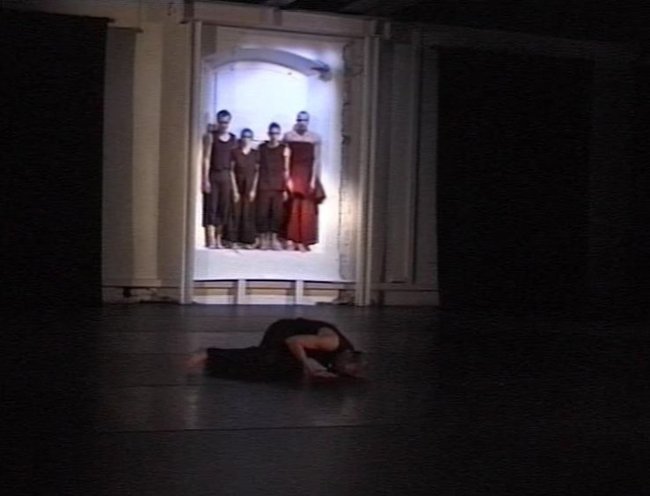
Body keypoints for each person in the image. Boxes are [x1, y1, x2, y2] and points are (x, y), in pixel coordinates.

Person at [187, 318, 366, 381]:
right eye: (343, 369)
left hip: (300, 341)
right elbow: (293, 341)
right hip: (286, 331)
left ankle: (215, 366)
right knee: (266, 358)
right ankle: (208, 353)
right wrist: (307, 364)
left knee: (279, 371)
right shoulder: (331, 343)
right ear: (347, 356)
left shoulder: (343, 360)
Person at [283, 111, 326, 252]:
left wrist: (313, 179)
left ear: (308, 122)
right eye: (299, 120)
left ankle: (304, 240)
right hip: (294, 173)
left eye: (304, 120)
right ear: (296, 121)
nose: (302, 123)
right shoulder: (289, 136)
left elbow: (316, 160)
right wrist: (287, 178)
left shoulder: (315, 138)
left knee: (307, 208)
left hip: (307, 174)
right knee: (293, 207)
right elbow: (286, 158)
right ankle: (291, 240)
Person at [202, 110, 238, 249]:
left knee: (224, 207)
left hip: (226, 175)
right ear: (218, 122)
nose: (224, 125)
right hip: (214, 174)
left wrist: (234, 187)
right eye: (221, 122)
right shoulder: (211, 137)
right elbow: (206, 158)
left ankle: (218, 238)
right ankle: (210, 239)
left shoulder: (233, 139)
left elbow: (233, 164)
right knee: (212, 206)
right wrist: (205, 179)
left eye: (226, 122)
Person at [256, 122, 290, 250]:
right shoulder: (262, 148)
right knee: (262, 213)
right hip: (264, 185)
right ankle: (263, 239)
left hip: (278, 186)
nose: (274, 136)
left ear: (279, 134)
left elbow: (286, 170)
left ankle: (274, 239)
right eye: (271, 133)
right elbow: (257, 167)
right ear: (268, 134)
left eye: (276, 133)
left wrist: (286, 188)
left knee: (277, 214)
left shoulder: (284, 149)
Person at [226, 128, 259, 248]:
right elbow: (231, 170)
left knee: (248, 213)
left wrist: (254, 189)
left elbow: (257, 172)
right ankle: (232, 240)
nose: (246, 139)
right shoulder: (235, 152)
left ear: (251, 139)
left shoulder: (255, 153)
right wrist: (234, 190)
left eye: (248, 137)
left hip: (249, 185)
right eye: (244, 137)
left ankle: (247, 241)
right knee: (235, 212)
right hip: (237, 184)